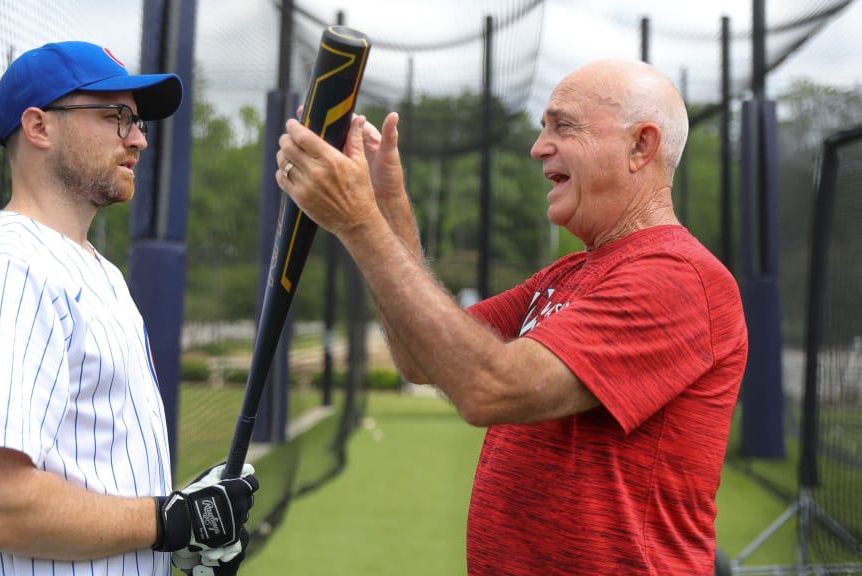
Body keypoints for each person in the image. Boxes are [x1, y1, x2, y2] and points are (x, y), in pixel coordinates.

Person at [275, 59, 748, 575]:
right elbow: (421, 357)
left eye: (562, 126)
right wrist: (386, 204)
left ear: (641, 146)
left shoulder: (679, 276)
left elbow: (490, 388)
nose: (538, 147)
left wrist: (359, 222)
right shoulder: (567, 274)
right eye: (543, 128)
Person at [0, 41, 258, 576]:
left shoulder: (100, 272)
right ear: (39, 127)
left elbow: (95, 471)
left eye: (137, 120)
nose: (139, 138)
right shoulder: (7, 273)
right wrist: (166, 520)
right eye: (116, 115)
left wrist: (185, 524)